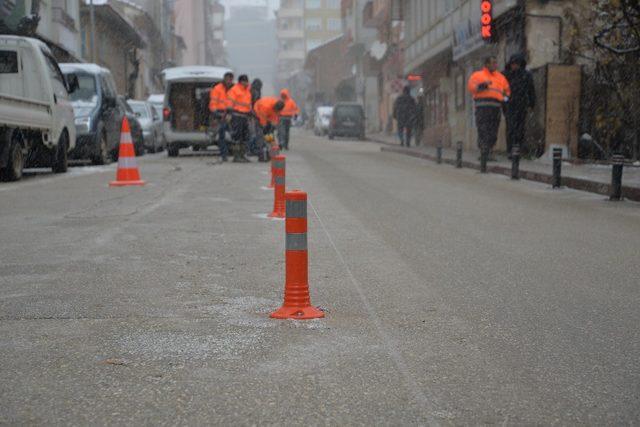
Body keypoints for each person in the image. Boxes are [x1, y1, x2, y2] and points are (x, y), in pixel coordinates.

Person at [468, 56, 510, 160]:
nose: (495, 65)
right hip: (482, 107)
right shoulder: (477, 75)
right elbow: (471, 87)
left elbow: (507, 91)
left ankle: (490, 150)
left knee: (493, 130)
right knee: (483, 129)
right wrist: (481, 86)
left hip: (495, 108)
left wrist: (505, 100)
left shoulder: (501, 77)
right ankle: (484, 151)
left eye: (496, 63)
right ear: (486, 64)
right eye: (493, 63)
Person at [503, 53, 536, 158]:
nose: (515, 66)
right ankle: (510, 150)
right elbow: (502, 91)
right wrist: (504, 103)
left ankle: (517, 150)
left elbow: (531, 90)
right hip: (509, 105)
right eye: (513, 64)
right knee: (511, 129)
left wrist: (531, 103)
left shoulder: (526, 75)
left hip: (521, 105)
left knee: (520, 129)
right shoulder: (506, 75)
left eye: (517, 64)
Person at [227, 74, 252, 162]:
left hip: (245, 116)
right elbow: (230, 103)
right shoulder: (234, 90)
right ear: (241, 82)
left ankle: (242, 155)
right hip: (237, 116)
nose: (247, 83)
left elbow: (248, 104)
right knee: (237, 137)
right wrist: (229, 113)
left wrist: (250, 112)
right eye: (246, 81)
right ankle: (236, 156)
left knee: (245, 136)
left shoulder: (247, 91)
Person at [208, 71, 234, 161]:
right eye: (227, 79)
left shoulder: (234, 89)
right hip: (220, 114)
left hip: (232, 113)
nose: (229, 81)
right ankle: (224, 154)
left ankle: (236, 153)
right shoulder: (217, 89)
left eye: (230, 79)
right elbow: (213, 103)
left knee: (235, 134)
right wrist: (217, 114)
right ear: (224, 79)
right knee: (221, 134)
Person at [248, 78, 263, 156]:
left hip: (251, 114)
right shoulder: (254, 92)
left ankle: (251, 149)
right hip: (251, 115)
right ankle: (251, 149)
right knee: (253, 133)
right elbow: (253, 104)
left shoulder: (251, 90)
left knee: (253, 133)